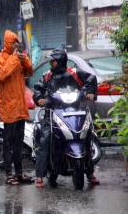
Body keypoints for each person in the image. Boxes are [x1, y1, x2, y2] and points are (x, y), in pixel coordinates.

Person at [32, 48, 98, 188]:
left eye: (54, 61)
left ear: (60, 61)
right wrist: (40, 99)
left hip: (74, 111)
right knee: (45, 139)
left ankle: (90, 173)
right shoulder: (47, 76)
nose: (51, 63)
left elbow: (91, 79)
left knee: (86, 136)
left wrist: (89, 92)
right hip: (52, 112)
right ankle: (40, 175)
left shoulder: (74, 73)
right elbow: (37, 88)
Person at [0, 30, 34, 185]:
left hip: (20, 107)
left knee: (18, 143)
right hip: (9, 108)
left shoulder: (17, 58)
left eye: (16, 44)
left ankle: (19, 173)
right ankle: (8, 174)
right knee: (8, 143)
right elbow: (1, 75)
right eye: (13, 43)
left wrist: (25, 61)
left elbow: (29, 72)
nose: (15, 46)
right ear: (7, 43)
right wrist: (14, 59)